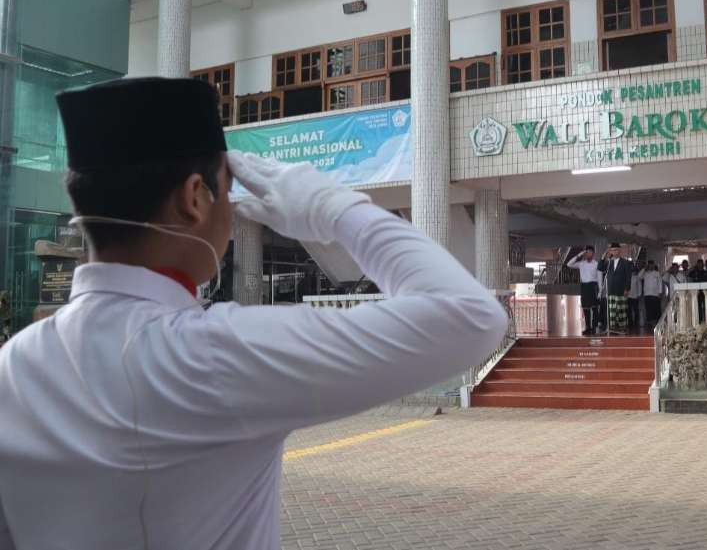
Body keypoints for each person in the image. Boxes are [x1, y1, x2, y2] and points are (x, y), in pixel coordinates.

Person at [0, 78, 509, 548]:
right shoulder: (213, 354)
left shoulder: (15, 364)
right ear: (195, 198)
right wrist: (337, 209)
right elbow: (469, 315)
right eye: (229, 187)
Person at [598, 243, 634, 333]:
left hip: (621, 289)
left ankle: (622, 327)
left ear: (620, 250)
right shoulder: (609, 262)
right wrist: (603, 257)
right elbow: (600, 268)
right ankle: (612, 327)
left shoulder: (625, 262)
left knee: (621, 309)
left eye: (616, 250)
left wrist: (627, 289)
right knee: (612, 310)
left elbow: (628, 277)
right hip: (610, 289)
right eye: (612, 250)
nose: (614, 252)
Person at [567, 246, 600, 335]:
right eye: (587, 252)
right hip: (584, 287)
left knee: (594, 309)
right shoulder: (581, 263)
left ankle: (594, 327)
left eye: (590, 252)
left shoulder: (596, 264)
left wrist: (600, 290)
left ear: (593, 254)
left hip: (593, 286)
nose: (588, 254)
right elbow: (569, 264)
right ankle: (588, 328)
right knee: (586, 309)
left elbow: (599, 277)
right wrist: (579, 255)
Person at [641, 260, 663, 328]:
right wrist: (644, 268)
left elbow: (660, 283)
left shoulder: (657, 273)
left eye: (652, 265)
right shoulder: (645, 273)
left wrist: (660, 292)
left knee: (656, 309)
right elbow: (639, 277)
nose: (650, 266)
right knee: (648, 309)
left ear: (653, 265)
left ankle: (657, 322)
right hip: (647, 294)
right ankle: (650, 322)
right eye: (649, 265)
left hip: (655, 294)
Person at [628, 261, 643, 329]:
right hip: (628, 296)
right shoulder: (626, 277)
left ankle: (636, 322)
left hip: (635, 296)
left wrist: (639, 294)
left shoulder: (637, 277)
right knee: (629, 310)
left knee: (636, 310)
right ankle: (630, 322)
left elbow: (639, 286)